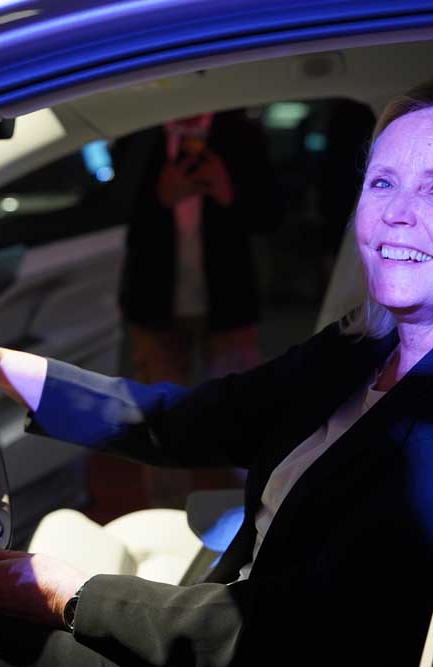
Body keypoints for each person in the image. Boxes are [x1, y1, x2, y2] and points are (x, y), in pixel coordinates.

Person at [0, 79, 433, 666]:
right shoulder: (363, 348)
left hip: (253, 643)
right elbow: (187, 420)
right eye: (382, 182)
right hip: (232, 607)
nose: (396, 213)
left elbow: (305, 632)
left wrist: (76, 595)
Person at [115, 110, 280, 507]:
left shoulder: (240, 132)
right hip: (154, 304)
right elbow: (114, 208)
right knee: (159, 421)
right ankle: (166, 516)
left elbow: (271, 214)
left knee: (241, 414)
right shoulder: (138, 135)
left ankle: (253, 513)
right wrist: (159, 197)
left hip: (228, 301)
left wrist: (228, 191)